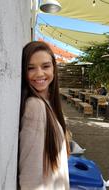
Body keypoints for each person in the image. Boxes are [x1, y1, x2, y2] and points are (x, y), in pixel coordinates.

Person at [18, 41, 70, 190]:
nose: (39, 73)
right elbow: (31, 177)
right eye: (30, 68)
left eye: (45, 66)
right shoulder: (35, 107)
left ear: (54, 68)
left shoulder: (47, 102)